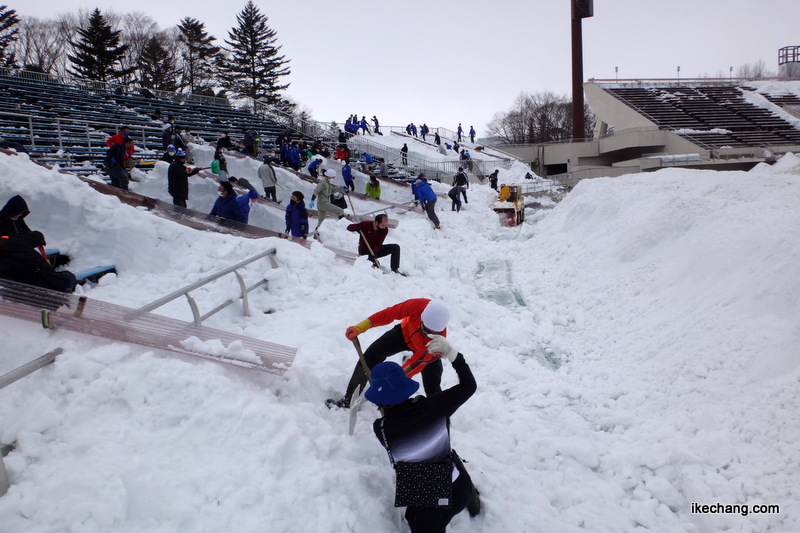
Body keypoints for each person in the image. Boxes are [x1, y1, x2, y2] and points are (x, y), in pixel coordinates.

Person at [366, 336, 480, 532]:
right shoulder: (435, 405)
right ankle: (474, 504)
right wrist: (453, 355)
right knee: (447, 455)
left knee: (416, 519)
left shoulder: (381, 429)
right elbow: (469, 385)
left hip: (431, 506)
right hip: (459, 487)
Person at [326, 298, 451, 409]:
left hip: (425, 352)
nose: (427, 334)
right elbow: (389, 314)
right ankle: (349, 398)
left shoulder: (437, 341)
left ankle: (437, 415)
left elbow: (415, 363)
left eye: (432, 333)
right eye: (426, 330)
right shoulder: (417, 306)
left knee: (432, 383)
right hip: (404, 333)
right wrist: (361, 327)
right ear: (422, 317)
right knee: (371, 355)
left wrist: (392, 383)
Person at [0, 231, 77, 293]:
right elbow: (36, 236)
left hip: (37, 292)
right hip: (47, 284)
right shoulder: (15, 242)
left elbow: (12, 286)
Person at [310, 169, 346, 236]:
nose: (333, 179)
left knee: (321, 222)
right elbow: (316, 190)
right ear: (329, 176)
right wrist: (312, 200)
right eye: (333, 177)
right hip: (323, 203)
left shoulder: (327, 183)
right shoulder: (323, 182)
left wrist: (341, 187)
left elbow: (332, 190)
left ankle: (316, 235)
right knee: (340, 211)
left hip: (322, 204)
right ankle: (344, 228)